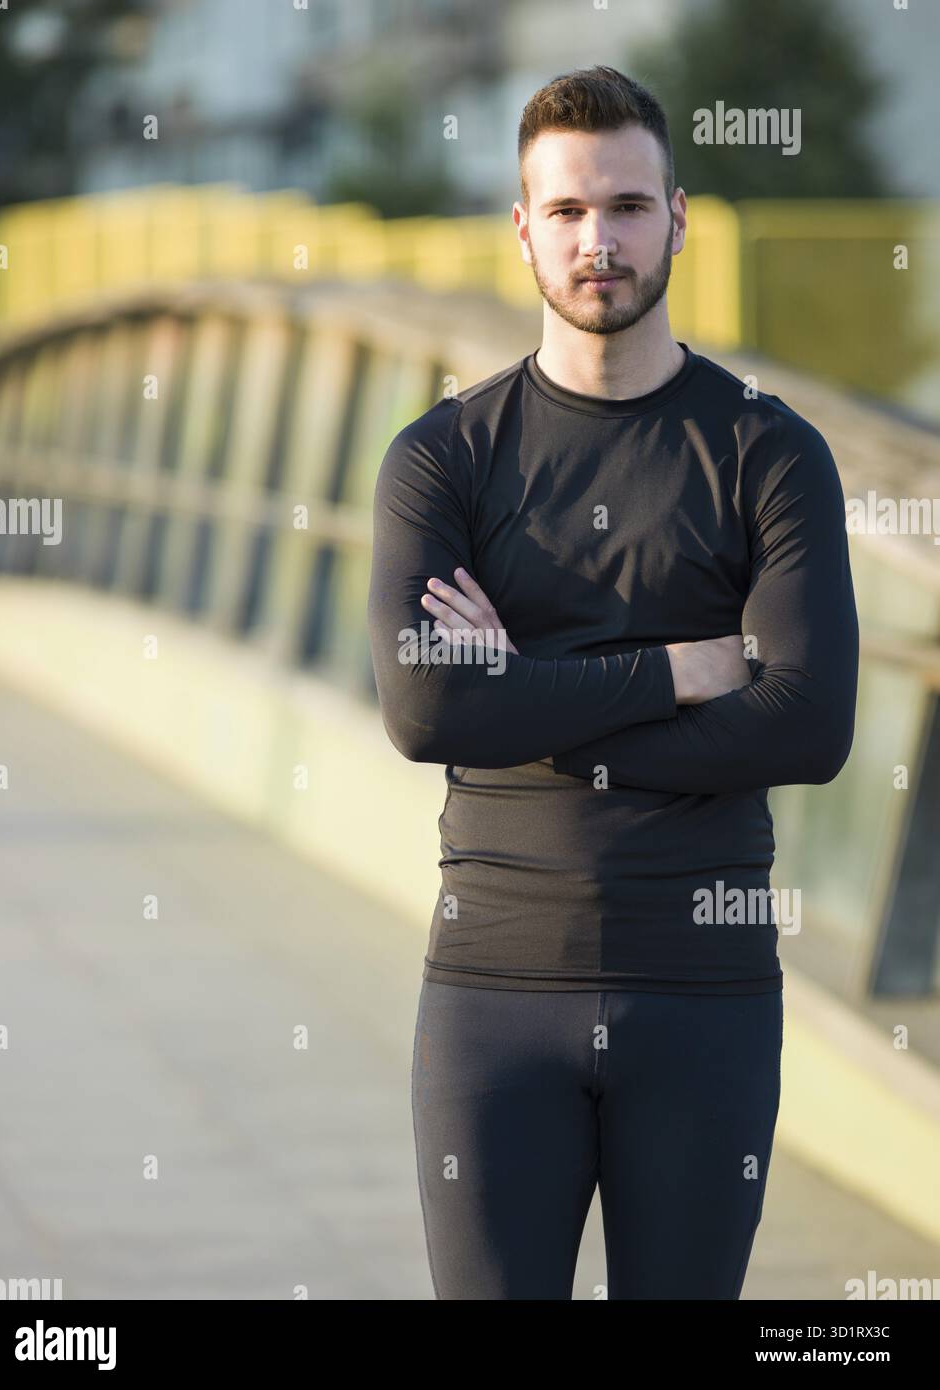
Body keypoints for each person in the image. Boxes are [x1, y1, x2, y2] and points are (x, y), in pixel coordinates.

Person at [366, 65, 859, 1300]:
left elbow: (810, 723)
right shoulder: (443, 459)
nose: (602, 241)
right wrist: (677, 672)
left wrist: (524, 692)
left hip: (704, 985)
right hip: (491, 991)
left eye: (630, 208)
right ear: (523, 229)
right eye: (571, 212)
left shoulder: (770, 452)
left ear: (679, 219)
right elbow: (427, 712)